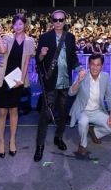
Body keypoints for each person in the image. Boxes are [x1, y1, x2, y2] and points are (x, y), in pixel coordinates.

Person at [33, 10, 82, 162]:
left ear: (65, 21)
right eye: (55, 20)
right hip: (50, 82)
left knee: (63, 112)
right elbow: (38, 60)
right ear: (52, 21)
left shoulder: (70, 37)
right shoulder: (44, 37)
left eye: (61, 20)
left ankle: (58, 137)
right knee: (45, 115)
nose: (58, 22)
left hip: (65, 82)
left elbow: (73, 58)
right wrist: (41, 54)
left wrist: (80, 69)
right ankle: (39, 146)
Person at [0, 13, 34, 158]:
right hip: (2, 79)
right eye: (15, 24)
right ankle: (1, 142)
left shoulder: (29, 41)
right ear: (12, 26)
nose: (17, 27)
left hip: (17, 80)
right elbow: (2, 51)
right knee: (2, 112)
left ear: (25, 25)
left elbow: (27, 62)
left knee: (14, 111)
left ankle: (12, 141)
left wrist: (21, 80)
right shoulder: (7, 37)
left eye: (20, 24)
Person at [68, 53, 111, 159]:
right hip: (83, 110)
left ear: (102, 66)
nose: (95, 67)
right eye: (92, 64)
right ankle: (83, 145)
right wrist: (78, 81)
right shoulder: (82, 75)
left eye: (98, 65)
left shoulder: (105, 77)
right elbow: (70, 93)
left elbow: (110, 96)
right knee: (83, 122)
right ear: (89, 64)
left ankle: (95, 132)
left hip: (97, 111)